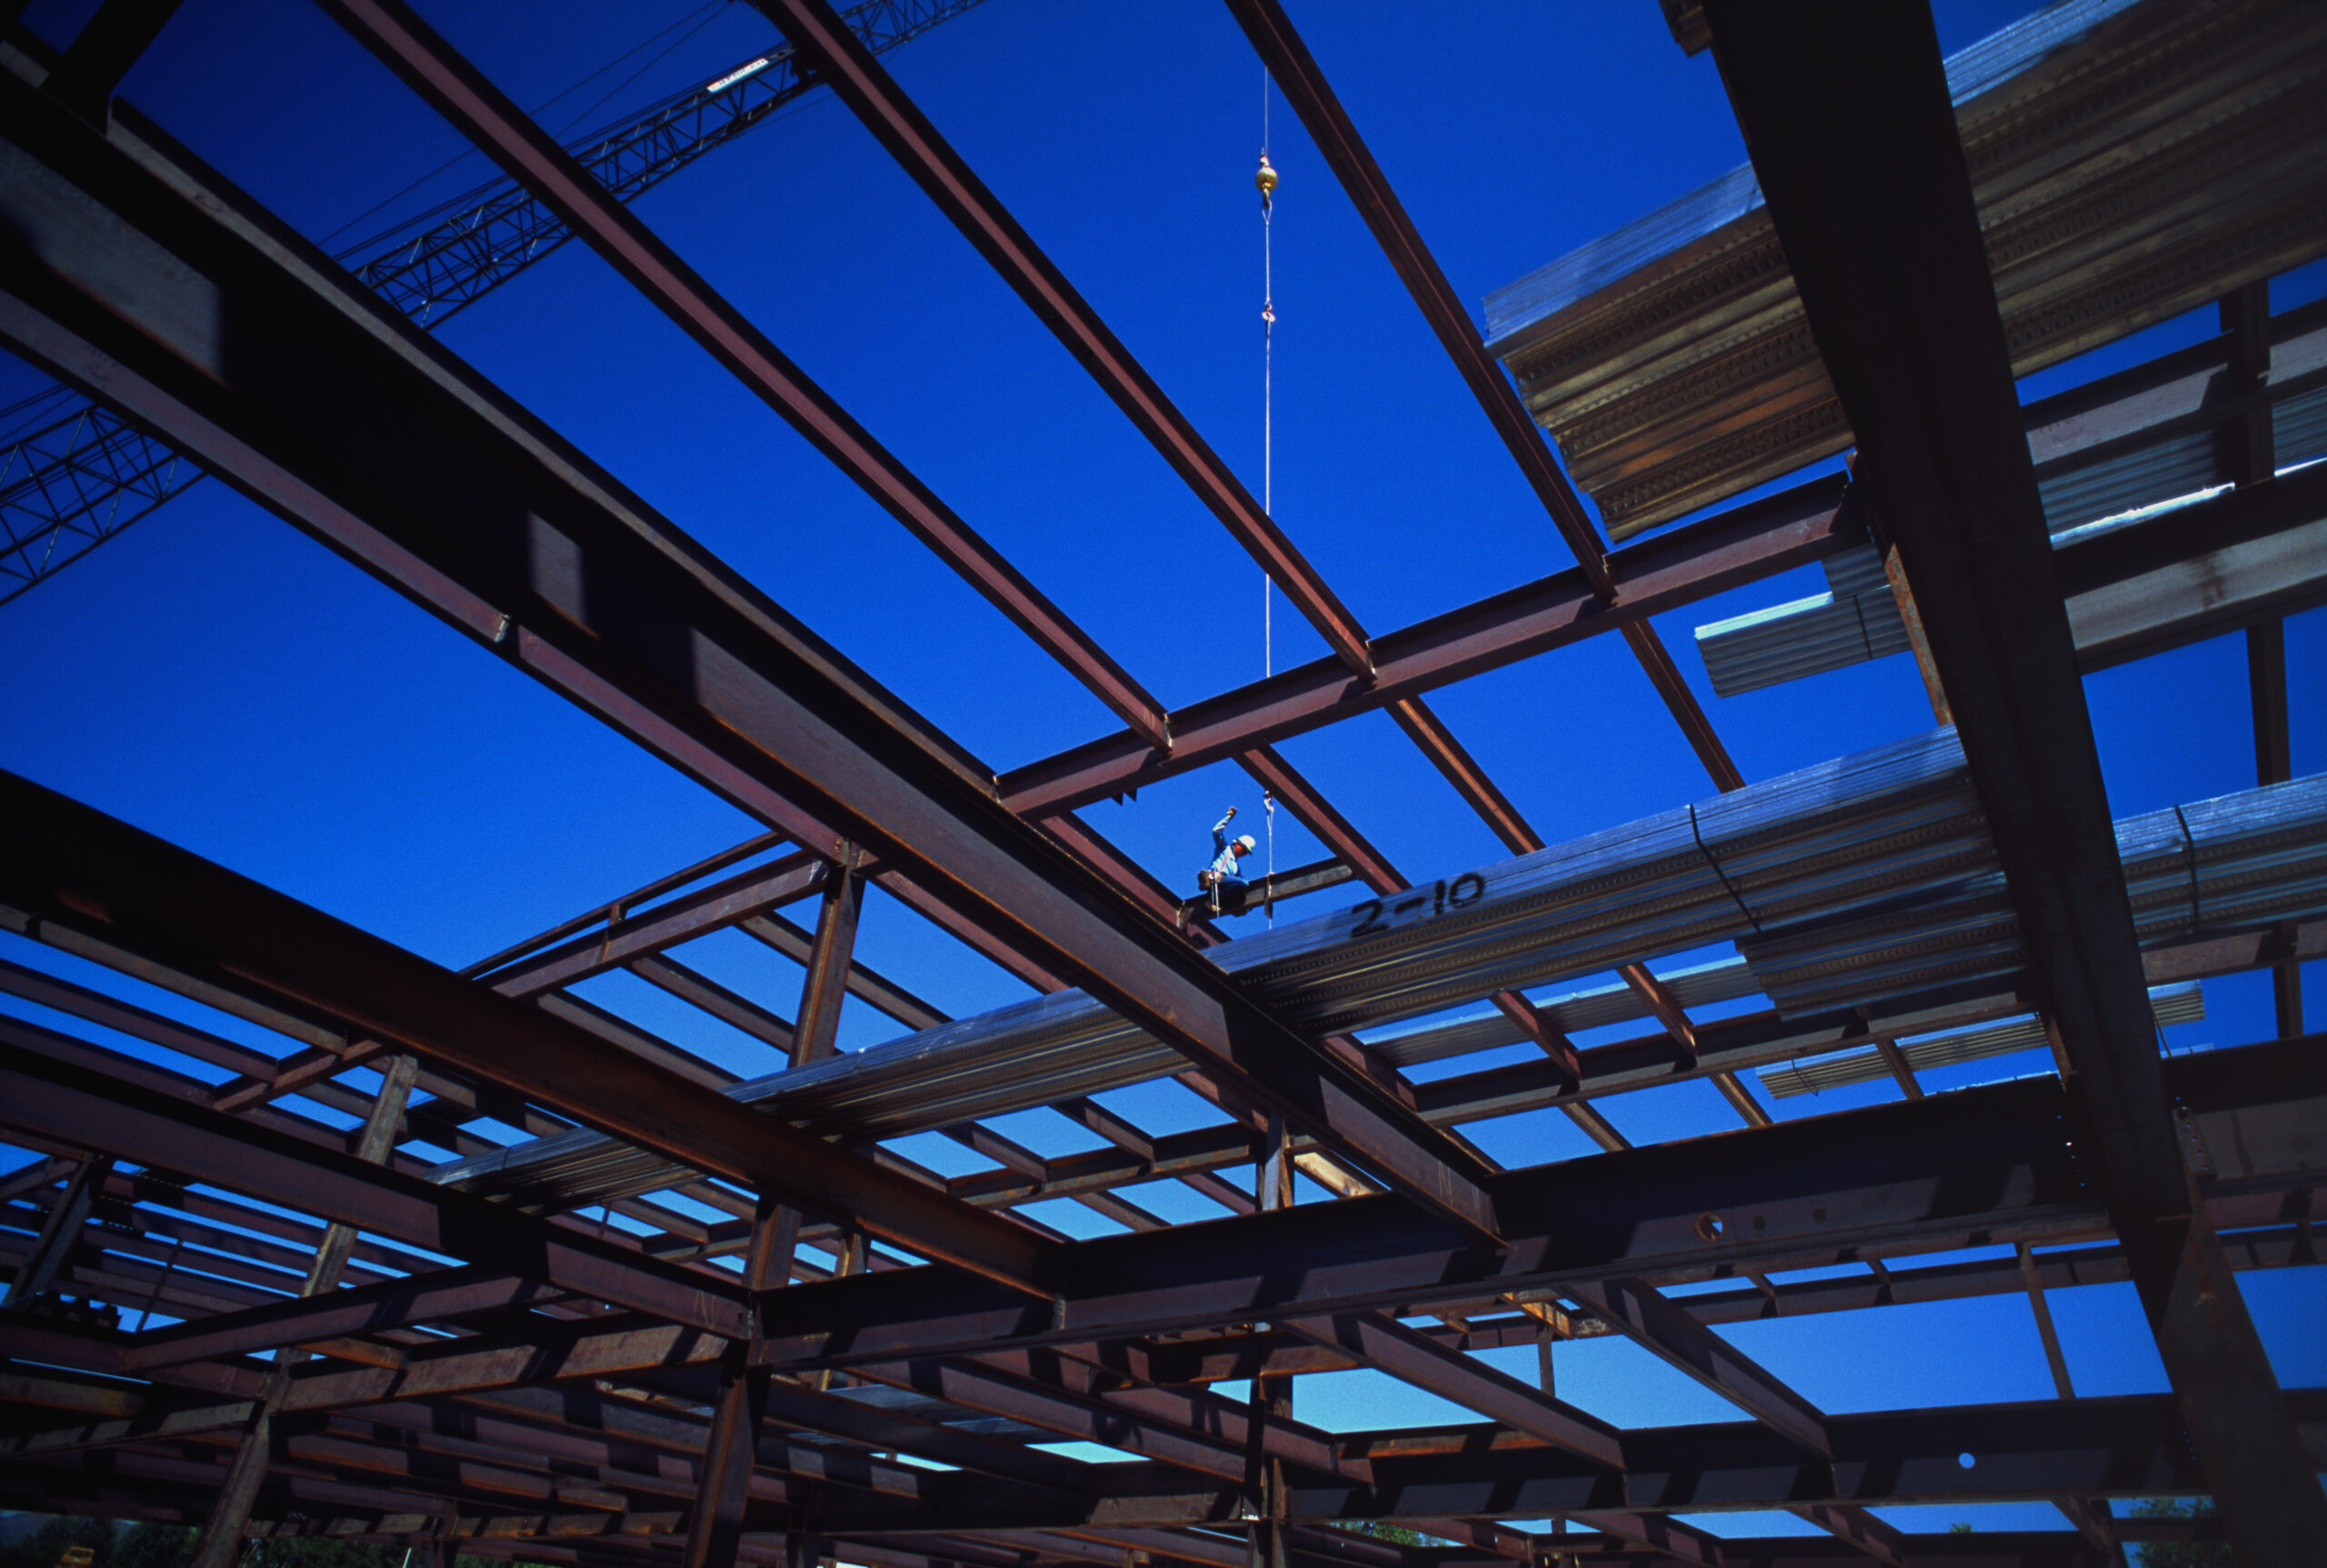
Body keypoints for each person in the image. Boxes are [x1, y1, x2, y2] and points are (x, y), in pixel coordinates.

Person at [1197, 805, 1258, 914]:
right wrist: (1228, 817)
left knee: (1243, 887)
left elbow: (1243, 882)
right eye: (1243, 849)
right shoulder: (1224, 849)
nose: (1243, 853)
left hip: (1222, 885)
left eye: (1246, 852)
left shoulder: (1235, 867)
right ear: (1236, 843)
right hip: (1215, 877)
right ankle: (1214, 896)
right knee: (1243, 883)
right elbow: (1216, 831)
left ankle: (1219, 900)